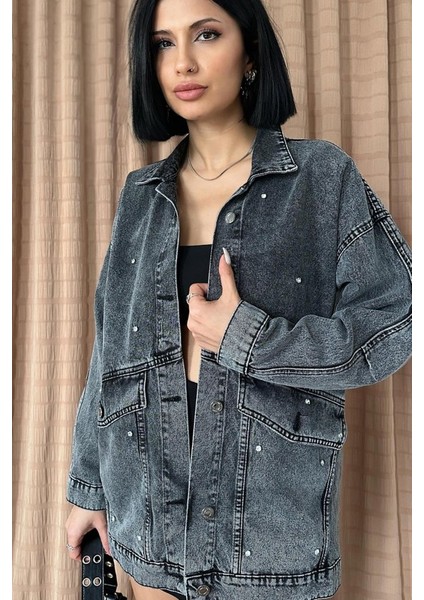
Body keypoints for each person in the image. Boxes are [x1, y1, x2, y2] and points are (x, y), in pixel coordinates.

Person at [65, 0, 412, 598]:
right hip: (145, 526)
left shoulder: (320, 178)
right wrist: (88, 489)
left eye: (205, 35)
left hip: (268, 543)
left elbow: (394, 323)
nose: (183, 62)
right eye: (163, 44)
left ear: (250, 54)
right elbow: (111, 354)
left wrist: (247, 338)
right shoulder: (141, 195)